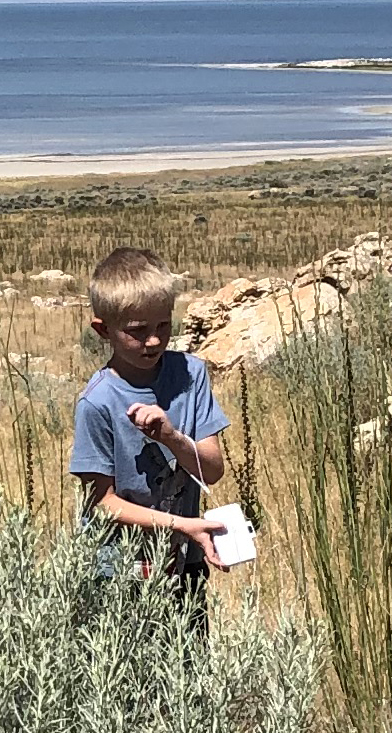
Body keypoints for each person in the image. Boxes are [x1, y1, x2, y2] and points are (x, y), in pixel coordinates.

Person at [70, 246, 230, 629]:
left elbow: (212, 471)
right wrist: (182, 525)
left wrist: (172, 438)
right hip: (120, 572)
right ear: (103, 330)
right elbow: (102, 504)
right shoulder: (97, 403)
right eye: (137, 332)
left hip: (184, 564)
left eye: (163, 326)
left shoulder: (190, 375)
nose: (154, 341)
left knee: (188, 673)